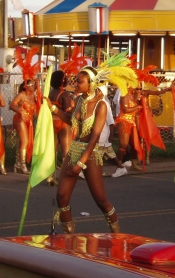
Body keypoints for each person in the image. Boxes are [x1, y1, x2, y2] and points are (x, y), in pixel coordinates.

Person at [46, 66, 122, 233]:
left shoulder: (101, 105)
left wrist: (81, 163)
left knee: (101, 200)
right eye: (75, 81)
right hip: (74, 149)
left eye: (79, 82)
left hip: (91, 154)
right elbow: (71, 121)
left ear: (91, 83)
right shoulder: (79, 99)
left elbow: (94, 137)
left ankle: (117, 234)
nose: (75, 84)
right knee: (61, 197)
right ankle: (69, 234)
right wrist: (53, 108)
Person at [10, 79, 38, 174]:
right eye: (31, 84)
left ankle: (17, 164)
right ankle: (23, 165)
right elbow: (12, 105)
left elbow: (39, 103)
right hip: (20, 119)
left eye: (34, 85)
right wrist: (20, 111)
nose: (33, 86)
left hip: (29, 120)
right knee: (25, 141)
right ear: (26, 86)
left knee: (23, 142)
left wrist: (38, 86)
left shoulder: (33, 95)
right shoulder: (21, 95)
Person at [115, 86, 143, 171]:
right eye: (136, 87)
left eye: (139, 88)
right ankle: (119, 166)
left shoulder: (133, 96)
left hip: (132, 122)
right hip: (124, 121)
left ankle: (134, 165)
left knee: (134, 144)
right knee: (123, 145)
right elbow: (125, 109)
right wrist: (138, 107)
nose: (137, 89)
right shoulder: (124, 95)